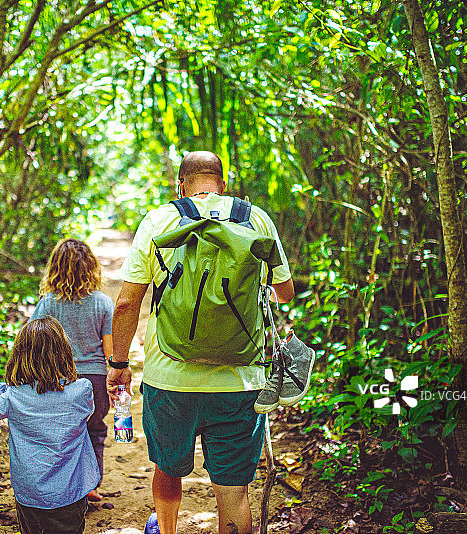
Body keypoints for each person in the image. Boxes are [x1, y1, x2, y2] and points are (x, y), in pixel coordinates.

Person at [108, 151, 295, 534]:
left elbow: (128, 302)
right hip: (240, 381)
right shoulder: (256, 218)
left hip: (170, 378)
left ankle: (168, 528)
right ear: (222, 184)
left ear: (180, 184)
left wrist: (119, 364)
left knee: (168, 467)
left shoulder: (161, 218)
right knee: (233, 489)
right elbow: (285, 292)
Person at [0, 316, 99, 534]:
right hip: (69, 491)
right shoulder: (81, 389)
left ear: (19, 356)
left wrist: (6, 387)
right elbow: (87, 415)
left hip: (29, 493)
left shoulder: (12, 396)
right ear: (64, 352)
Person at [28, 238, 114, 502]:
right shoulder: (103, 303)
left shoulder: (48, 304)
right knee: (95, 430)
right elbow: (110, 351)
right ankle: (90, 486)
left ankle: (63, 488)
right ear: (90, 267)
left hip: (58, 380)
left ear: (55, 268)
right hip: (96, 381)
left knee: (63, 435)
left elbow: (34, 342)